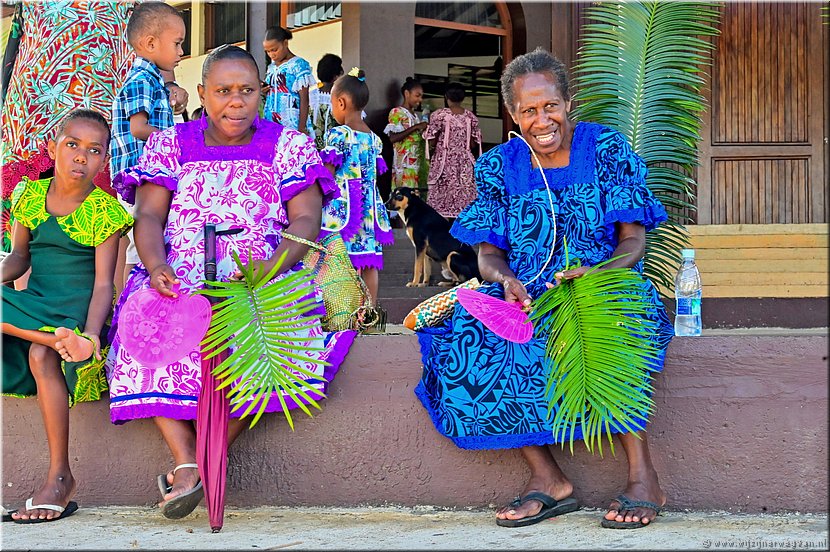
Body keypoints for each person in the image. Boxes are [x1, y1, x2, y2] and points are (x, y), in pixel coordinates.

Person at [415, 49, 674, 529]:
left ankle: (644, 477)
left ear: (568, 100)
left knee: (610, 323)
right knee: (472, 335)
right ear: (513, 114)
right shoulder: (498, 166)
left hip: (604, 281)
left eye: (550, 105)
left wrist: (600, 274)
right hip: (528, 291)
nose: (542, 119)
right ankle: (548, 479)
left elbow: (633, 239)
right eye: (528, 110)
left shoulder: (607, 149)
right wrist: (505, 280)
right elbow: (489, 253)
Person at [105, 45, 356, 520]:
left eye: (246, 91)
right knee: (144, 329)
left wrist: (271, 270)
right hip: (179, 281)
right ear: (202, 94)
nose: (235, 102)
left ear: (262, 93)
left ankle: (203, 459)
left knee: (279, 351)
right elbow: (150, 215)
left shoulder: (289, 146)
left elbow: (304, 221)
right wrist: (158, 266)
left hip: (263, 281)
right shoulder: (170, 143)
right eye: (223, 92)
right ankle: (186, 460)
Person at [1, 109, 133, 522]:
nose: (81, 157)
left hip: (76, 309)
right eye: (72, 145)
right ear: (53, 147)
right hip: (37, 303)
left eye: (94, 151)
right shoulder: (28, 196)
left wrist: (92, 335)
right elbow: (19, 258)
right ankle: (55, 341)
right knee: (44, 347)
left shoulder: (104, 212)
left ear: (105, 160)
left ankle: (59, 476)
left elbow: (101, 286)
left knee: (41, 357)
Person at [1, 1, 188, 254]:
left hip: (106, 92)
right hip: (36, 99)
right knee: (33, 201)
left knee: (114, 213)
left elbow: (152, 22)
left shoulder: (142, 80)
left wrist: (169, 85)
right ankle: (26, 283)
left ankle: (111, 290)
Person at [110, 1, 186, 289]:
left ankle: (128, 301)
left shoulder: (153, 80)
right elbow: (138, 128)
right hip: (138, 179)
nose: (181, 52)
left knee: (137, 245)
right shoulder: (141, 80)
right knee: (138, 244)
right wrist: (177, 139)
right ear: (150, 43)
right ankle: (129, 300)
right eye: (177, 44)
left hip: (148, 178)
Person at [320, 68, 394, 305]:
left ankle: (343, 309)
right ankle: (370, 312)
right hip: (370, 212)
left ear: (341, 102)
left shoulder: (338, 135)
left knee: (340, 259)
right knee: (370, 261)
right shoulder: (374, 139)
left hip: (345, 211)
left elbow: (328, 174)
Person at [423, 82, 482, 220]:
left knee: (441, 198)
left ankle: (442, 233)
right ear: (463, 98)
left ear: (446, 97)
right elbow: (474, 143)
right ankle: (463, 234)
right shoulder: (470, 117)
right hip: (465, 163)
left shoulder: (440, 115)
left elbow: (431, 138)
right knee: (464, 197)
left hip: (444, 162)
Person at [262, 26, 314, 135]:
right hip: (271, 121)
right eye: (268, 51)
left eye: (274, 50)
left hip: (292, 122)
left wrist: (301, 128)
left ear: (285, 43)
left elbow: (304, 99)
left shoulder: (298, 65)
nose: (272, 54)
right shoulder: (271, 68)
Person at [384, 77, 429, 198]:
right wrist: (415, 127)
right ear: (406, 93)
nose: (420, 99)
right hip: (403, 167)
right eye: (417, 95)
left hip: (415, 166)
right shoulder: (397, 112)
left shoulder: (414, 115)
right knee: (403, 201)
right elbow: (392, 138)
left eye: (421, 96)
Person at [310, 53, 344, 151]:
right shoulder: (341, 98)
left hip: (312, 150)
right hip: (335, 152)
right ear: (335, 76)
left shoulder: (310, 96)